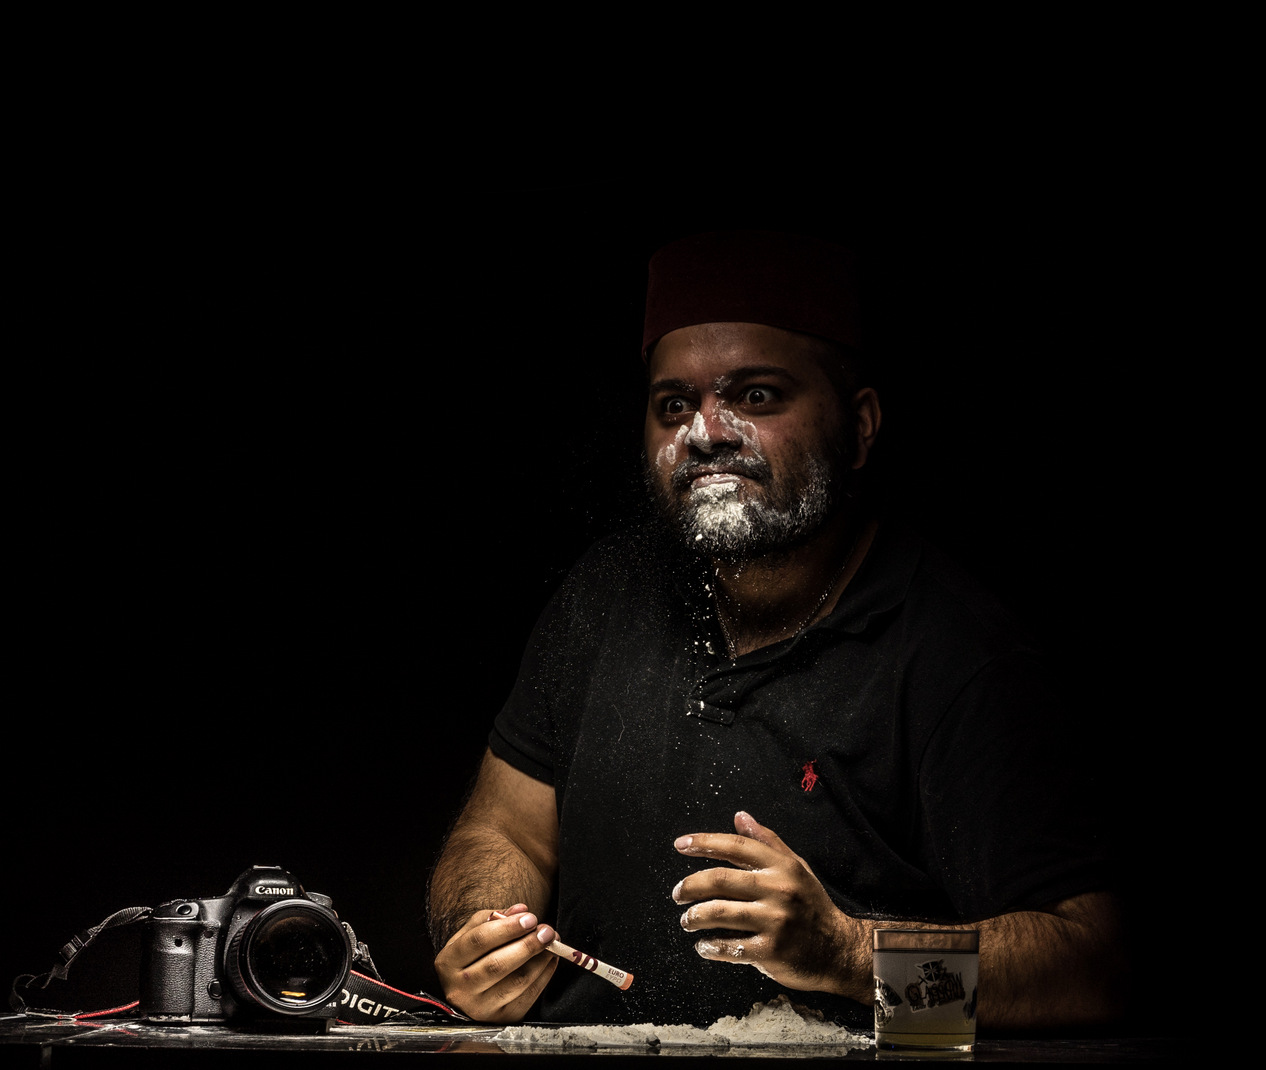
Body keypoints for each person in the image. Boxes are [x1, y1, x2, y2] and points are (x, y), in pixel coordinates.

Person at [427, 229, 1127, 1032]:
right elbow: (504, 831)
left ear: (860, 426)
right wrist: (482, 932)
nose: (706, 431)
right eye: (674, 404)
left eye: (757, 396)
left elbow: (1093, 972)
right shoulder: (605, 594)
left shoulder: (955, 655)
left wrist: (849, 955)